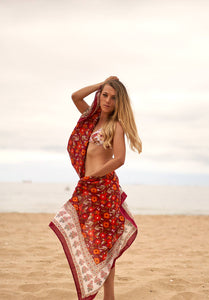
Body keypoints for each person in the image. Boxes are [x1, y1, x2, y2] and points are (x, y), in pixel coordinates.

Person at [49, 76, 141, 300]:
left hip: (103, 188)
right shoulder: (90, 118)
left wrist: (93, 176)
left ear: (120, 102)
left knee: (104, 248)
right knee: (96, 244)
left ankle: (109, 297)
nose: (108, 101)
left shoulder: (116, 126)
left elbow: (119, 159)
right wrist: (100, 84)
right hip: (88, 188)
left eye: (113, 97)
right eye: (105, 95)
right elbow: (75, 96)